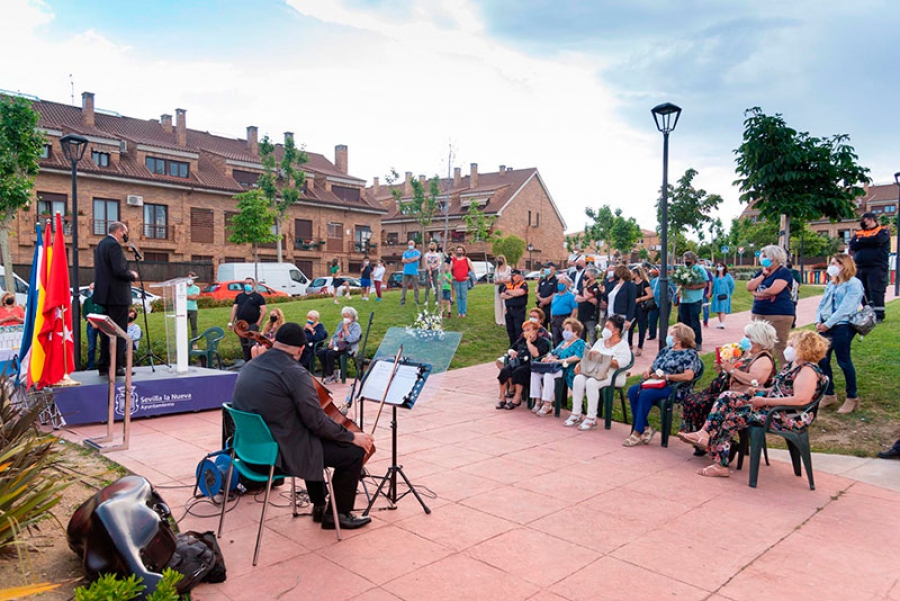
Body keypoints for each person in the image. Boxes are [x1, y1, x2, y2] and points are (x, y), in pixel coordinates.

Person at [232, 322, 374, 530]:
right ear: (301, 349)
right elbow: (316, 422)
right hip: (279, 455)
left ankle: (319, 505)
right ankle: (338, 515)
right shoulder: (294, 373)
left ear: (275, 342)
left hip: (249, 450)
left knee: (311, 438)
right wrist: (353, 437)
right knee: (351, 453)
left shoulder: (251, 365)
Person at [681, 330, 828, 478]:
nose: (788, 347)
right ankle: (705, 434)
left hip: (789, 417)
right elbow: (780, 390)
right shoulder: (793, 365)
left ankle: (720, 463)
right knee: (727, 396)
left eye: (792, 344)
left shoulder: (808, 371)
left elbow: (800, 400)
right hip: (774, 408)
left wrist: (764, 400)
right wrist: (760, 391)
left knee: (732, 418)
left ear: (804, 348)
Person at [679, 320, 777, 438]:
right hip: (731, 391)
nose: (744, 339)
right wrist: (723, 369)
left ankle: (706, 438)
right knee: (692, 400)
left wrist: (731, 369)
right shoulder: (747, 354)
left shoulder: (763, 359)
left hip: (746, 396)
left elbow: (754, 380)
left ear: (758, 339)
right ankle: (696, 436)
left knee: (703, 403)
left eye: (747, 337)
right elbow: (734, 373)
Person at [624, 323, 702, 447]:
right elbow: (654, 365)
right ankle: (645, 427)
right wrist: (648, 371)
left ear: (681, 338)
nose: (669, 336)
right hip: (655, 383)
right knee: (633, 391)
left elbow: (689, 376)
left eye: (672, 334)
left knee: (645, 394)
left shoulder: (689, 354)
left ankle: (638, 432)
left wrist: (666, 377)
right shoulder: (666, 350)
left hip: (674, 387)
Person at [815, 253, 865, 414]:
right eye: (832, 263)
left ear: (845, 265)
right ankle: (829, 394)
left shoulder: (854, 284)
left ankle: (852, 397)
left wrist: (828, 324)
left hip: (842, 326)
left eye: (836, 263)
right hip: (825, 326)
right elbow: (822, 303)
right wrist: (819, 321)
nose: (832, 266)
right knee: (822, 359)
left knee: (843, 361)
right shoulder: (832, 283)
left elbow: (847, 308)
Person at [566, 315, 632, 430]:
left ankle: (591, 418)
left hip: (613, 375)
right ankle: (576, 413)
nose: (604, 328)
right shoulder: (600, 342)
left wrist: (602, 357)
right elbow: (589, 357)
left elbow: (621, 364)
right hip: (595, 372)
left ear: (616, 330)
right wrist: (580, 364)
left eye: (607, 326)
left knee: (592, 382)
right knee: (578, 379)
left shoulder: (623, 345)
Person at [94, 221, 138, 377]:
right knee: (119, 331)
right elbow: (119, 270)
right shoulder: (114, 246)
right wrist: (131, 274)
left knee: (107, 332)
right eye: (125, 232)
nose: (126, 236)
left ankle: (104, 365)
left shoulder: (101, 245)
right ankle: (117, 365)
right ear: (119, 231)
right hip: (117, 296)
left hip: (105, 296)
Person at [747, 244, 795, 367]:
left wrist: (757, 293)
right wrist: (763, 275)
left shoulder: (783, 272)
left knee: (780, 345)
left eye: (764, 256)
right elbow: (749, 286)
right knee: (760, 344)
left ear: (773, 258)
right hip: (759, 312)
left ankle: (786, 373)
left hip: (779, 313)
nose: (762, 259)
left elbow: (773, 290)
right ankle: (763, 371)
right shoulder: (761, 273)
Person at [530, 318, 586, 416]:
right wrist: (548, 358)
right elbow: (553, 352)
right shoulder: (563, 342)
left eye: (568, 329)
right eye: (565, 329)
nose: (565, 332)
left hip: (565, 368)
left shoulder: (580, 343)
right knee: (535, 373)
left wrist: (559, 360)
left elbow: (578, 356)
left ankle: (547, 404)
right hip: (554, 366)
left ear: (575, 331)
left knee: (548, 375)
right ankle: (538, 400)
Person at [496, 321, 551, 410]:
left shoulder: (542, 342)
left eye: (528, 330)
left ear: (535, 331)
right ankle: (502, 398)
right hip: (518, 362)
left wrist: (529, 342)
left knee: (519, 372)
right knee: (504, 371)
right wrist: (512, 352)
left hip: (530, 365)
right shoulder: (522, 340)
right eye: (525, 330)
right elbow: (511, 348)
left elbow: (536, 354)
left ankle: (516, 399)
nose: (526, 332)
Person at [849, 211, 890, 323]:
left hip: (877, 266)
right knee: (862, 291)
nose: (862, 223)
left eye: (864, 220)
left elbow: (878, 240)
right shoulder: (859, 232)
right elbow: (852, 245)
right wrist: (867, 242)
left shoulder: (882, 231)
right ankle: (868, 313)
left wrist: (861, 241)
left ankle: (879, 315)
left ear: (871, 219)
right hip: (860, 267)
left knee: (876, 290)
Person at [317, 307, 362, 384]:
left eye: (347, 316)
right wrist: (331, 342)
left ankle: (329, 375)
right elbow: (335, 336)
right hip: (337, 346)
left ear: (352, 316)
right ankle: (331, 372)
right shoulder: (341, 324)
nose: (345, 318)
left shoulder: (356, 326)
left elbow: (352, 339)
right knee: (320, 353)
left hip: (348, 348)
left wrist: (346, 330)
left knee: (329, 354)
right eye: (344, 316)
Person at [228, 277, 267, 363]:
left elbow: (264, 311)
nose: (248, 285)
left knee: (251, 344)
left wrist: (257, 323)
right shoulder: (239, 296)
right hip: (241, 324)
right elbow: (234, 309)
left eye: (250, 283)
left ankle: (253, 362)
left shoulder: (258, 297)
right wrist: (231, 322)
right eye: (246, 283)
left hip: (252, 324)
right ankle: (246, 362)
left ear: (254, 285)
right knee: (244, 345)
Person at [677, 251, 708, 352]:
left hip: (695, 299)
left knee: (694, 321)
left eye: (688, 261)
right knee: (685, 322)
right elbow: (677, 281)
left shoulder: (699, 270)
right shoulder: (683, 270)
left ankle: (698, 341)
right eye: (685, 260)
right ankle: (687, 341)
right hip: (683, 300)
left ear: (694, 260)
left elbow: (704, 284)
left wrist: (694, 287)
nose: (686, 262)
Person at [500, 269, 528, 347]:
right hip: (509, 310)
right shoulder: (508, 284)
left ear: (519, 276)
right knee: (510, 330)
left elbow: (520, 292)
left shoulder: (523, 284)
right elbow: (502, 295)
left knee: (518, 330)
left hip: (519, 310)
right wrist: (513, 294)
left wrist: (509, 293)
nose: (513, 277)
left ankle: (520, 347)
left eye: (514, 275)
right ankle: (512, 347)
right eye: (512, 275)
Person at [629, 266, 653, 356]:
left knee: (641, 327)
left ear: (636, 274)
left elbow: (650, 295)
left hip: (641, 307)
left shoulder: (644, 283)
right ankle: (630, 344)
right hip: (633, 307)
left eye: (632, 273)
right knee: (630, 326)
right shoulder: (632, 283)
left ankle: (640, 347)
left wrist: (639, 299)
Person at [606, 265, 636, 337]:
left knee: (621, 336)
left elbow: (632, 303)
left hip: (621, 315)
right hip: (611, 314)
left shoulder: (630, 286)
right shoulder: (615, 285)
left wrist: (629, 319)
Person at [575, 267, 601, 346]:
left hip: (591, 317)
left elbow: (593, 300)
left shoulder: (596, 287)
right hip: (581, 316)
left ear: (592, 277)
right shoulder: (582, 287)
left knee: (592, 337)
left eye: (587, 276)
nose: (584, 278)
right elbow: (577, 298)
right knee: (581, 338)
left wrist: (585, 287)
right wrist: (588, 298)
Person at [549, 275, 577, 343]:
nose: (560, 285)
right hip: (555, 320)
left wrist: (570, 320)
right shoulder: (555, 296)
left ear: (567, 285)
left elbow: (575, 309)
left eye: (562, 283)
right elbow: (552, 307)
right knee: (555, 338)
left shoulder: (571, 296)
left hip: (564, 318)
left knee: (565, 338)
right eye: (559, 283)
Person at [82, 284, 102, 370]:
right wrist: (93, 323)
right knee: (92, 345)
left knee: (104, 344)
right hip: (91, 324)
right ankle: (91, 365)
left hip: (102, 324)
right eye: (92, 288)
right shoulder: (87, 301)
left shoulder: (102, 300)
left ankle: (103, 363)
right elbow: (85, 313)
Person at [450, 246, 474, 318]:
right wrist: (452, 276)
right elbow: (449, 269)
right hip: (456, 281)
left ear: (463, 251)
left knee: (463, 296)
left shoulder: (467, 259)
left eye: (461, 250)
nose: (459, 251)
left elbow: (472, 269)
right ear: (456, 251)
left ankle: (463, 312)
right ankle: (459, 312)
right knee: (458, 296)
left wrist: (469, 277)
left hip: (464, 281)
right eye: (458, 250)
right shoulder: (453, 260)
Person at [710, 263, 735, 329]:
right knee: (718, 309)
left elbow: (732, 285)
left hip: (725, 295)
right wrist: (711, 293)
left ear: (724, 267)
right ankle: (720, 322)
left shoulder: (728, 276)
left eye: (720, 266)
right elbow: (713, 286)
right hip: (717, 295)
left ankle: (722, 323)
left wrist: (729, 293)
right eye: (718, 266)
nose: (719, 267)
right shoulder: (715, 277)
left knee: (723, 309)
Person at [535, 263, 559, 330]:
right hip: (542, 307)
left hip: (551, 307)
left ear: (553, 270)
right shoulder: (542, 280)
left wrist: (546, 301)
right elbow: (537, 292)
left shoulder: (556, 281)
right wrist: (540, 300)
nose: (547, 270)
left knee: (553, 329)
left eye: (549, 268)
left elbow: (554, 294)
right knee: (542, 328)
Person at [400, 240, 421, 306]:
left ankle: (417, 300)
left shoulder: (417, 252)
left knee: (416, 287)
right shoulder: (405, 252)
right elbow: (403, 260)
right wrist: (411, 260)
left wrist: (408, 260)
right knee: (404, 287)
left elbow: (416, 258)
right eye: (409, 244)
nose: (410, 245)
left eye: (411, 244)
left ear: (414, 245)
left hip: (414, 272)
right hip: (406, 271)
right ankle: (402, 301)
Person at [493, 254, 511, 326]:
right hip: (497, 287)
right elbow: (494, 279)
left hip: (505, 287)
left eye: (501, 259)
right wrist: (496, 282)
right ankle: (498, 320)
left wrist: (501, 281)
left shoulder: (508, 268)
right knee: (498, 303)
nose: (499, 261)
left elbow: (509, 279)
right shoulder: (496, 269)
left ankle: (505, 321)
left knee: (504, 303)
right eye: (498, 259)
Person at [185, 271, 200, 341]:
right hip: (184, 309)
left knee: (193, 326)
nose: (190, 280)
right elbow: (179, 297)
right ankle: (183, 341)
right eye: (189, 278)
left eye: (192, 278)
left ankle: (194, 341)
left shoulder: (196, 288)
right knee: (183, 326)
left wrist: (185, 296)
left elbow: (194, 297)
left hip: (193, 309)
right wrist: (189, 296)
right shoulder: (182, 287)